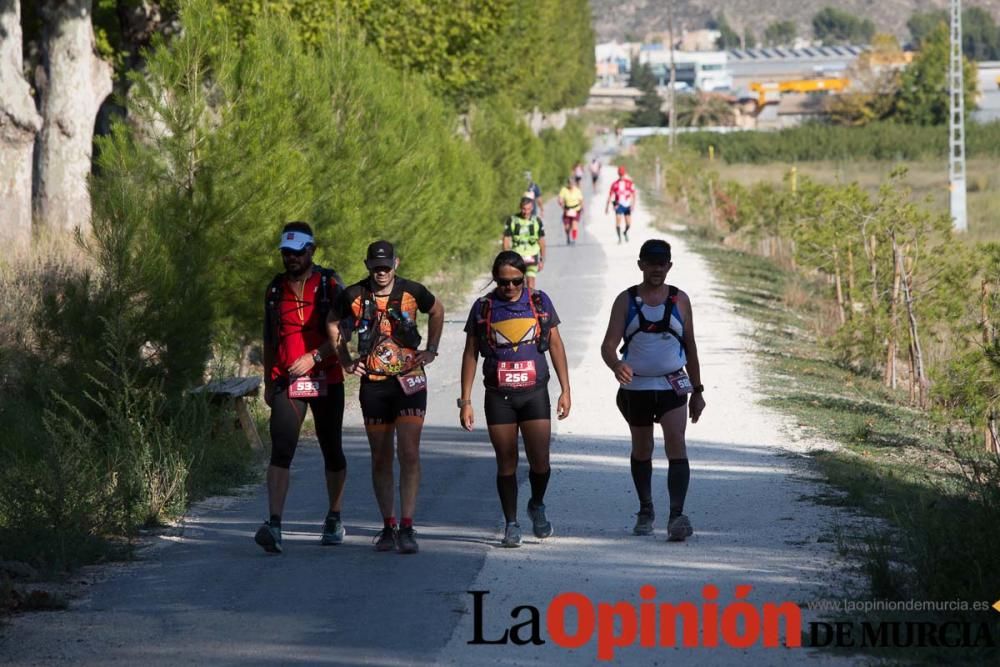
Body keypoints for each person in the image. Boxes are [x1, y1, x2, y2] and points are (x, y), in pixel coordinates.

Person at [328, 240, 445, 554]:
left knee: (408, 452)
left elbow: (437, 310)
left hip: (409, 380)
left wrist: (431, 349)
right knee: (380, 457)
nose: (381, 272)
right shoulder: (353, 295)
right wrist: (344, 360)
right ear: (367, 265)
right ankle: (388, 525)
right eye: (375, 266)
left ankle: (408, 526)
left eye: (386, 265)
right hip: (375, 385)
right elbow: (332, 321)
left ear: (396, 263)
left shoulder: (411, 291)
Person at [459, 251, 571, 547]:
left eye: (516, 281)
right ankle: (511, 523)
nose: (509, 288)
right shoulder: (483, 307)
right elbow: (470, 352)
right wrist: (465, 400)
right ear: (495, 280)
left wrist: (565, 390)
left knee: (540, 462)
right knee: (506, 462)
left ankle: (537, 503)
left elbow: (556, 345)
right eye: (502, 282)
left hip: (534, 394)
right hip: (499, 398)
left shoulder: (539, 301)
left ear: (524, 278)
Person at [599, 239, 706, 542]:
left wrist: (697, 391)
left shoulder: (680, 300)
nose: (657, 269)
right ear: (641, 265)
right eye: (651, 263)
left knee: (676, 444)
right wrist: (615, 365)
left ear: (669, 266)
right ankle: (646, 510)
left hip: (673, 384)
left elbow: (691, 346)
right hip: (637, 388)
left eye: (662, 263)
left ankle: (676, 515)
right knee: (642, 448)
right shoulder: (626, 300)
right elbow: (608, 345)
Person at [256, 222, 347, 554]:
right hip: (286, 381)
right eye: (286, 252)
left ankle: (334, 517)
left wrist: (315, 356)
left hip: (327, 376)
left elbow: (346, 331)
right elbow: (268, 338)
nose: (291, 258)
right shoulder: (274, 289)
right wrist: (268, 382)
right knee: (281, 450)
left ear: (312, 250)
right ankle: (275, 524)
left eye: (298, 252)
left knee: (331, 448)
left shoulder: (330, 284)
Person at [503, 196, 546, 290]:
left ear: (532, 208)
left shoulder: (537, 221)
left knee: (531, 284)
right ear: (520, 207)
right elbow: (506, 239)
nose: (526, 212)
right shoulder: (512, 220)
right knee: (518, 284)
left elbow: (541, 241)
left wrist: (542, 259)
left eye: (528, 209)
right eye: (523, 209)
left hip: (532, 256)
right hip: (517, 257)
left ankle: (530, 303)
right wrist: (506, 257)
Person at [605, 165, 637, 244]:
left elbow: (634, 194)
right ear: (618, 174)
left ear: (624, 174)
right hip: (618, 205)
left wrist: (633, 204)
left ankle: (625, 232)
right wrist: (607, 207)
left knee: (628, 223)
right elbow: (610, 195)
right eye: (620, 174)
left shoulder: (629, 183)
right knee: (618, 221)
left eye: (622, 174)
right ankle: (619, 238)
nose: (621, 176)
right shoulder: (615, 184)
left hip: (627, 205)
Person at [557, 175, 584, 246]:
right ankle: (568, 237)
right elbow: (560, 198)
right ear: (568, 183)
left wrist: (582, 208)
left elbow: (581, 200)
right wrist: (561, 203)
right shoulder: (564, 190)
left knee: (574, 225)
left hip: (576, 210)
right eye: (569, 183)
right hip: (567, 210)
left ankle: (574, 239)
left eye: (572, 183)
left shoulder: (577, 190)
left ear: (574, 183)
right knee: (567, 227)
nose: (571, 184)